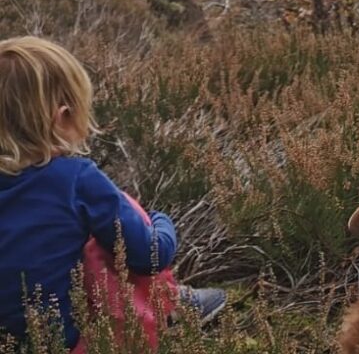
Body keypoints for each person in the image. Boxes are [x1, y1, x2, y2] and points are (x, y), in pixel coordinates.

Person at [0, 36, 226, 351]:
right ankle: (169, 305)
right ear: (61, 115)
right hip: (69, 344)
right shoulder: (76, 179)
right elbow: (149, 256)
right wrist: (160, 221)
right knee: (121, 215)